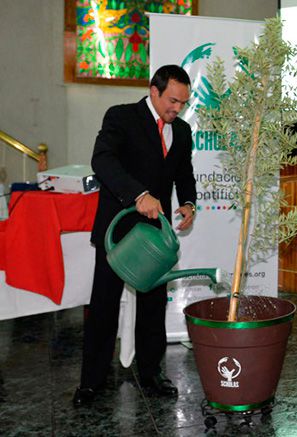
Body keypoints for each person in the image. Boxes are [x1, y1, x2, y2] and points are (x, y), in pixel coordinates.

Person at [73, 65, 197, 406]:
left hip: (155, 238)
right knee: (103, 307)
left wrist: (188, 203)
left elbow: (184, 174)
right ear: (153, 91)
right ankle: (91, 382)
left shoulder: (182, 131)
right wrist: (138, 194)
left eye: (183, 103)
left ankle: (151, 373)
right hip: (119, 234)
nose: (177, 109)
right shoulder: (121, 117)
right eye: (172, 100)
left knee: (154, 306)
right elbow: (103, 161)